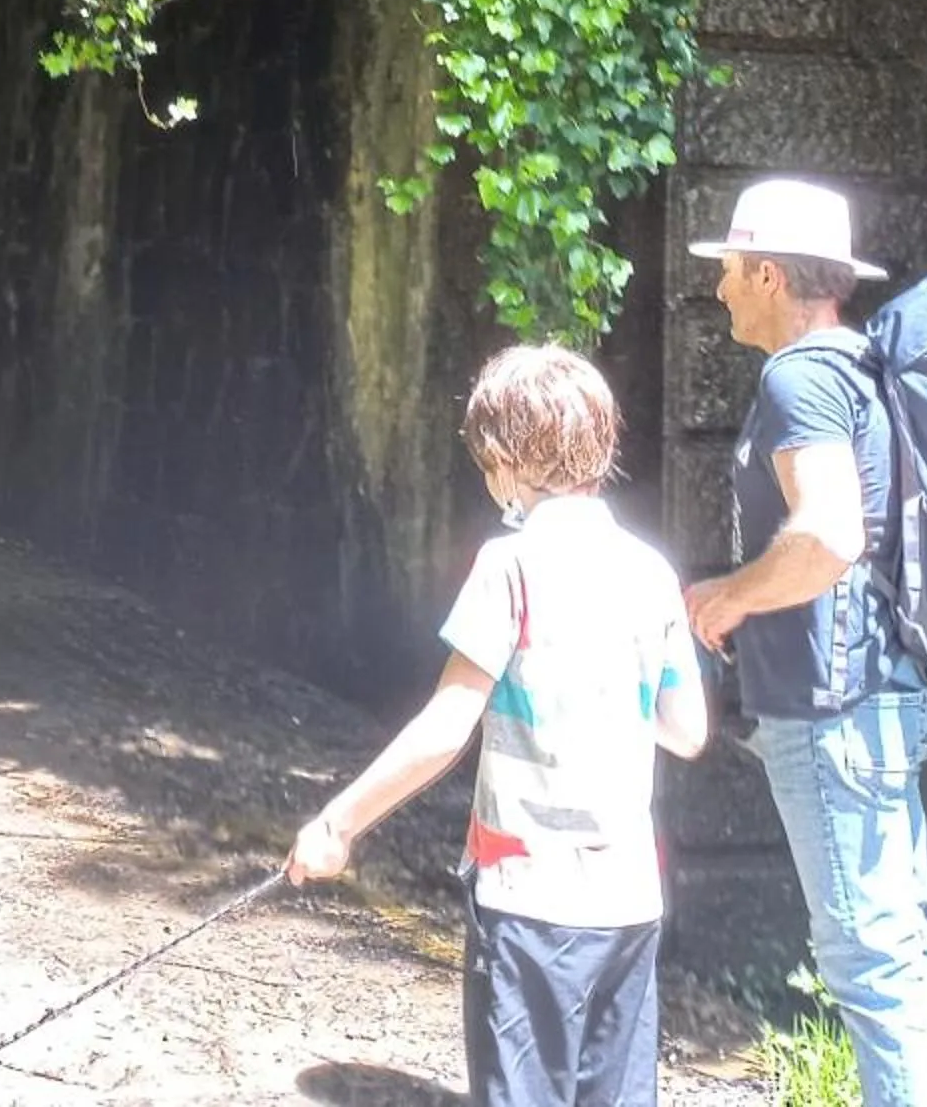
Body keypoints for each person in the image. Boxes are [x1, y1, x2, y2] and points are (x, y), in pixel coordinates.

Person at [289, 344, 707, 1107]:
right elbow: (687, 730)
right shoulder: (650, 572)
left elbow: (449, 725)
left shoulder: (510, 564)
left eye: (488, 461)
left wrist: (337, 823)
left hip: (530, 901)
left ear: (511, 461)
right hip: (629, 902)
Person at [682, 177, 927, 1107]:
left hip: (835, 712)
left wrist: (725, 597)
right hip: (876, 699)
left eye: (727, 272)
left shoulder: (801, 376)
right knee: (894, 952)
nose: (718, 291)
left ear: (766, 274)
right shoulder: (859, 368)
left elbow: (829, 535)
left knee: (871, 963)